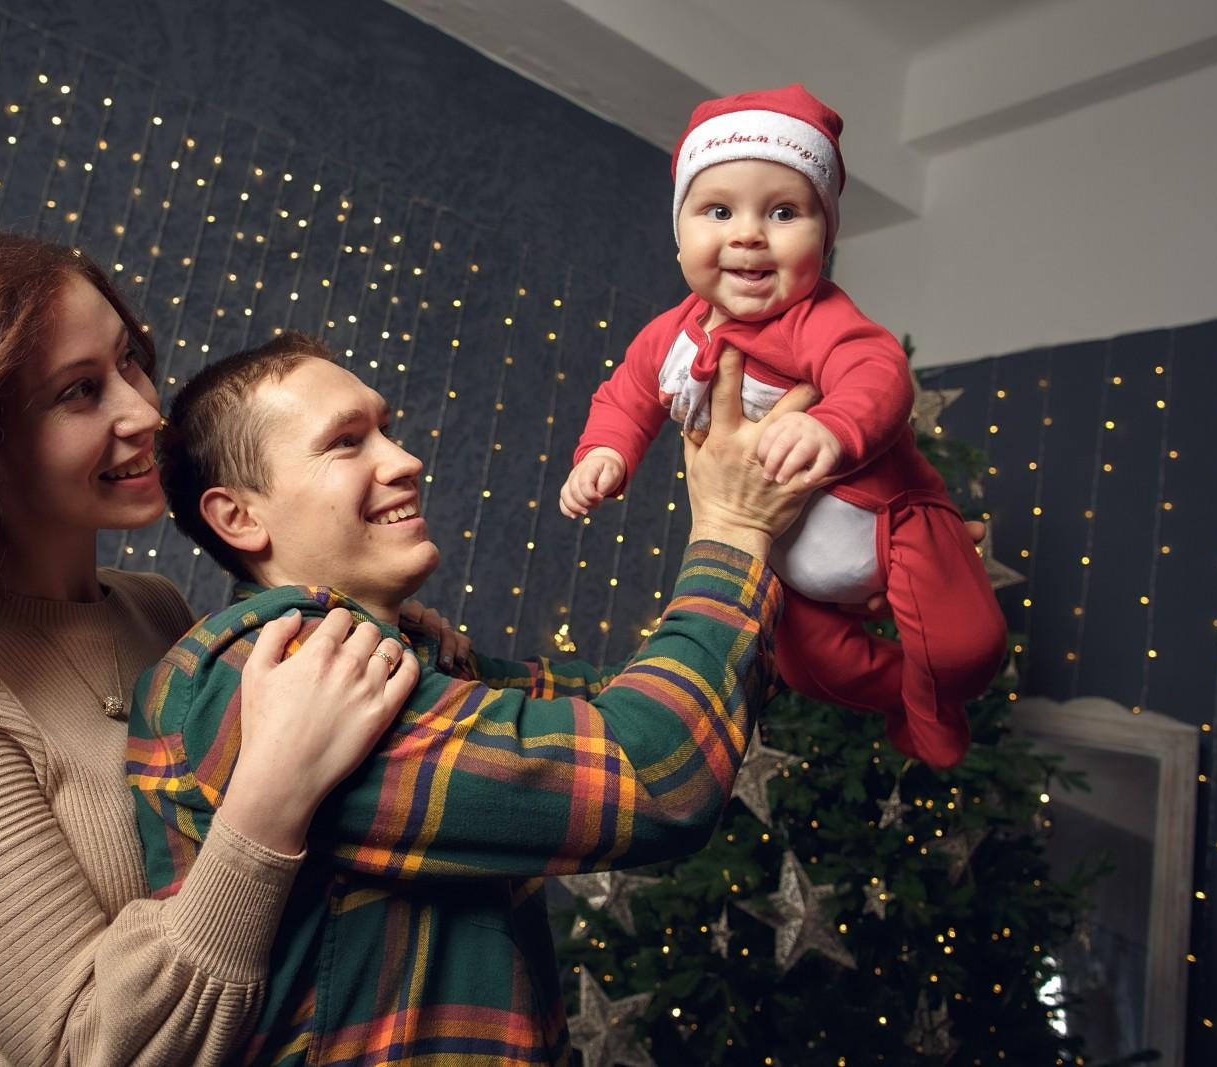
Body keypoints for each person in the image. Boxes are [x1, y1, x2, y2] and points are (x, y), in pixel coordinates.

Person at [0, 228, 436, 1066]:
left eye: (128, 362)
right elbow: (80, 1049)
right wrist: (270, 800)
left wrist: (386, 632)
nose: (145, 412)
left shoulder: (152, 609)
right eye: (79, 391)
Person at [128, 331, 815, 1064]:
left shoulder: (405, 659)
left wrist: (841, 569)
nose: (405, 460)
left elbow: (643, 699)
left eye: (386, 430)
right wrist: (733, 531)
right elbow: (658, 773)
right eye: (346, 442)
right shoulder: (268, 674)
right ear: (239, 517)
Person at [560, 84, 1006, 770]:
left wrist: (832, 426)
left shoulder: (816, 317)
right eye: (718, 210)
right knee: (814, 669)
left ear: (823, 239)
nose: (748, 233)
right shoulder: (666, 337)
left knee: (964, 649)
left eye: (783, 211)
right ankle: (903, 697)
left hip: (890, 518)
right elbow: (626, 397)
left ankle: (934, 698)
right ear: (679, 238)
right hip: (788, 555)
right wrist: (604, 454)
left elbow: (879, 373)